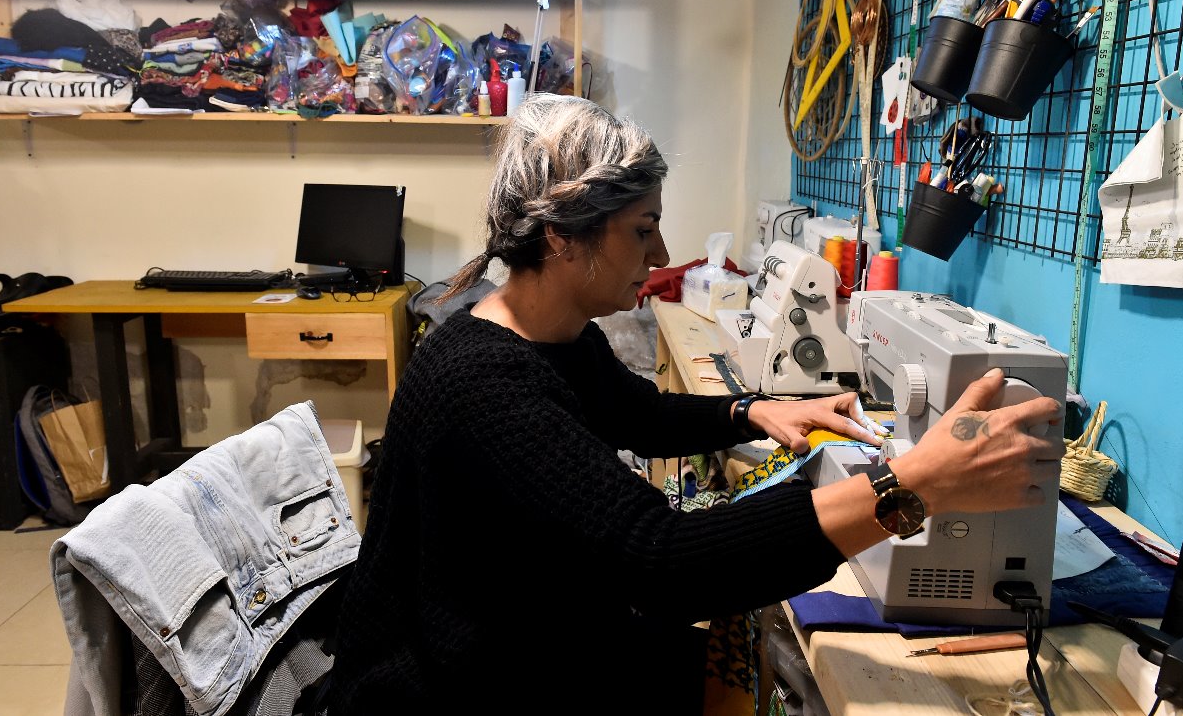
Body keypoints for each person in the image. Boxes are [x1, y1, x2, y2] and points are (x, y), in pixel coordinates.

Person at [327, 94, 1063, 714]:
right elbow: (664, 562)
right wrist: (910, 485)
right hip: (453, 684)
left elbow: (638, 414)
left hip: (526, 627)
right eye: (643, 230)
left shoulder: (551, 331)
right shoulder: (484, 382)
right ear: (562, 238)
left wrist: (752, 412)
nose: (659, 254)